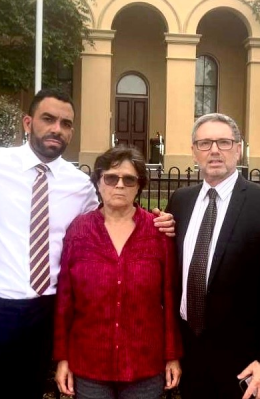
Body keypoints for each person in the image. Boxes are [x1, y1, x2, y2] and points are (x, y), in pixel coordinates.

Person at [0, 89, 175, 398]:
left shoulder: (78, 185)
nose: (56, 129)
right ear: (28, 122)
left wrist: (156, 220)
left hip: (45, 310)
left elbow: (110, 222)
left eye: (65, 123)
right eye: (48, 119)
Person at [166, 113, 260, 399]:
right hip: (190, 350)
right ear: (194, 152)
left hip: (245, 361)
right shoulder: (181, 200)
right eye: (204, 143)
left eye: (224, 142)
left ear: (238, 149)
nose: (214, 150)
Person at [53, 145, 182, 399]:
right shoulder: (78, 231)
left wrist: (172, 356)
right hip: (90, 364)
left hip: (145, 364)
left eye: (129, 179)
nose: (119, 185)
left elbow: (169, 297)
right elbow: (65, 301)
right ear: (99, 183)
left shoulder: (158, 232)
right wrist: (63, 358)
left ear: (139, 186)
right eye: (111, 178)